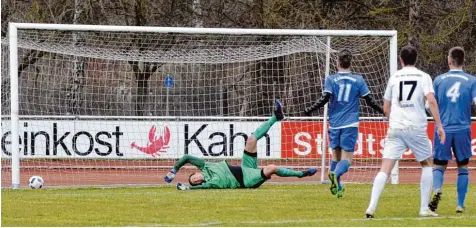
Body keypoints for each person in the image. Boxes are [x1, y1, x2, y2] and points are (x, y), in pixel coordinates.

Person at [365, 45, 445, 218]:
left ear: (401, 60)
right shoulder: (424, 76)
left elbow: (386, 107)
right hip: (416, 127)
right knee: (427, 164)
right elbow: (431, 100)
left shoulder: (394, 77)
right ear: (416, 59)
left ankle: (371, 207)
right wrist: (439, 125)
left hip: (396, 127)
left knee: (385, 168)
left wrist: (392, 119)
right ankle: (424, 208)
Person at [165, 100, 317, 190]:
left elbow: (186, 157)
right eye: (196, 182)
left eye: (194, 178)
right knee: (272, 168)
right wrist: (188, 188)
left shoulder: (205, 166)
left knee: (251, 140)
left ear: (195, 172)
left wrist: (173, 171)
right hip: (246, 180)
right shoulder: (211, 183)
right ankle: (301, 174)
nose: (197, 180)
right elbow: (200, 188)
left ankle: (276, 117)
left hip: (245, 167)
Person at [304, 49, 384, 198]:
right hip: (350, 124)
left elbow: (325, 98)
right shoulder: (358, 80)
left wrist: (311, 109)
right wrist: (383, 111)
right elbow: (370, 101)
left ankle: (338, 187)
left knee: (336, 157)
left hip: (334, 123)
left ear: (337, 63)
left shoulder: (331, 79)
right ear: (350, 63)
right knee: (347, 159)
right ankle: (334, 175)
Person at [429, 47, 475, 213]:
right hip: (463, 128)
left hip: (444, 128)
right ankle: (460, 205)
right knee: (463, 166)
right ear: (463, 61)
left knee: (439, 165)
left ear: (449, 61)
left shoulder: (439, 80)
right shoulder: (471, 80)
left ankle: (437, 190)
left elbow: (429, 104)